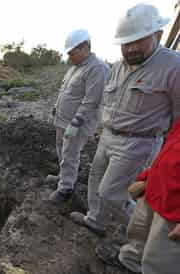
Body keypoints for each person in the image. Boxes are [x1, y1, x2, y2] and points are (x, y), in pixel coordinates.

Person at [70, 3, 180, 236]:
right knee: (95, 180)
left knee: (112, 193)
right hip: (108, 135)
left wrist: (168, 156)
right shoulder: (119, 67)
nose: (130, 48)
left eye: (138, 40)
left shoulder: (173, 67)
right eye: (125, 43)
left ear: (157, 35)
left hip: (138, 143)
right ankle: (95, 221)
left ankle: (143, 237)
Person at [96, 118, 180, 274]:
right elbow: (169, 151)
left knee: (160, 260)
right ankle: (128, 264)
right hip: (155, 189)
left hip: (174, 210)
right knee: (138, 236)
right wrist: (147, 178)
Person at [47, 29, 110, 203]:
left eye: (72, 53)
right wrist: (55, 107)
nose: (69, 57)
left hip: (77, 124)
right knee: (62, 149)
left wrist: (75, 123)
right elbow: (65, 91)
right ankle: (63, 176)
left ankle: (65, 188)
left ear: (84, 47)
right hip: (63, 120)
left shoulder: (97, 69)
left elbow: (91, 101)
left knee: (70, 153)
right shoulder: (75, 68)